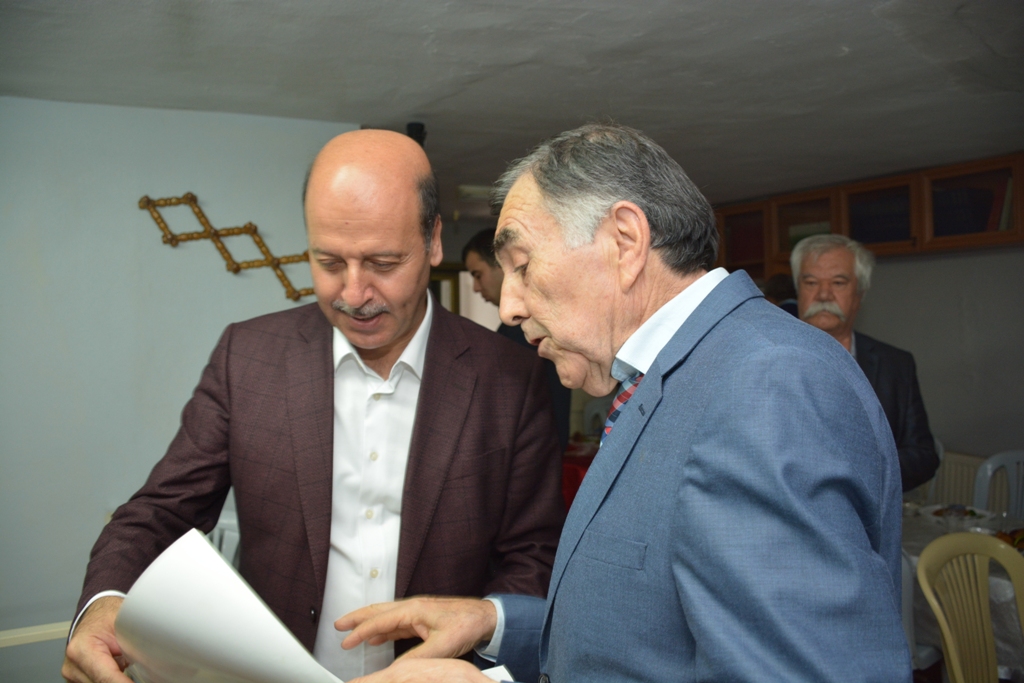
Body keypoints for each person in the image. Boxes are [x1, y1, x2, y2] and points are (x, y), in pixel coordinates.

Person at [334, 124, 911, 683]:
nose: (508, 307)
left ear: (626, 242)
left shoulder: (765, 384)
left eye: (523, 266)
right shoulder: (675, 377)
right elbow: (651, 628)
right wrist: (494, 621)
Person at [61, 130, 565, 683]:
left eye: (383, 262)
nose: (353, 294)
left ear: (433, 241)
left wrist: (482, 660)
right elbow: (161, 511)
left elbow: (533, 555)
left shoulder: (511, 377)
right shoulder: (246, 357)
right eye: (328, 261)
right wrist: (104, 602)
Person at [791, 233, 939, 492]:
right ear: (798, 290)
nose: (823, 294)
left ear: (860, 293)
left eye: (838, 283)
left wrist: (858, 473)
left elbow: (924, 456)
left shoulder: (896, 365)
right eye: (811, 282)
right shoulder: (765, 361)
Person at [463, 229, 573, 450]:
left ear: (502, 266)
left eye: (478, 275)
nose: (475, 287)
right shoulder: (513, 329)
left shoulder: (519, 331)